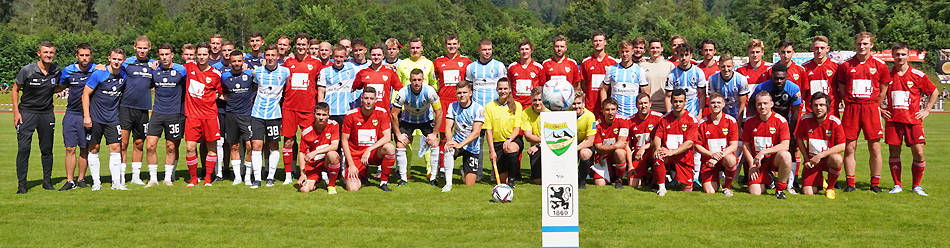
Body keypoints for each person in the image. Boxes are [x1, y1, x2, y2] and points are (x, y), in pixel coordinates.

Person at [835, 32, 891, 193]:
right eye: (859, 43)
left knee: (874, 148)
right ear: (856, 44)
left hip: (870, 108)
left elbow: (884, 87)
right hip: (852, 108)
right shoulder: (846, 65)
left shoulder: (879, 65)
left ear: (871, 45)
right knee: (849, 147)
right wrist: (848, 101)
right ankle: (850, 182)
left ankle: (875, 183)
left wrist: (876, 104)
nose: (862, 46)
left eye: (865, 44)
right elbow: (842, 87)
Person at [883, 42, 937, 196]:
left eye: (903, 54)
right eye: (897, 54)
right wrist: (880, 109)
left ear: (908, 55)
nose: (900, 57)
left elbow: (933, 91)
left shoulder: (918, 75)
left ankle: (916, 186)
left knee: (919, 153)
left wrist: (926, 110)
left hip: (913, 120)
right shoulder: (887, 74)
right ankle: (897, 185)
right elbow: (876, 94)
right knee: (894, 152)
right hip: (893, 120)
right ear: (892, 56)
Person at [13, 41, 63, 193]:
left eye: (51, 52)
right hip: (27, 113)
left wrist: (68, 85)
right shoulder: (27, 70)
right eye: (46, 52)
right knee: (24, 149)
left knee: (47, 149)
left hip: (47, 114)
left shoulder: (56, 70)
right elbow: (15, 90)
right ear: (39, 54)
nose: (49, 55)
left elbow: (54, 88)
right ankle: (22, 185)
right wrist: (16, 113)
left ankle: (47, 182)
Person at [750, 63, 802, 193]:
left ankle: (791, 182)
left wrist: (790, 132)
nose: (779, 81)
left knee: (790, 149)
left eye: (782, 78)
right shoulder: (763, 87)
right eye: (776, 78)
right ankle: (756, 175)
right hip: (766, 120)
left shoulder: (794, 89)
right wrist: (755, 118)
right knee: (755, 146)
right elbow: (751, 102)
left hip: (785, 123)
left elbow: (795, 113)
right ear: (772, 76)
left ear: (786, 77)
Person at [279, 33, 322, 186]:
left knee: (310, 142)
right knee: (289, 141)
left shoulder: (316, 63)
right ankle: (288, 174)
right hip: (289, 107)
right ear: (295, 46)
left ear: (308, 46)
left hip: (308, 108)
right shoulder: (288, 62)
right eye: (299, 44)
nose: (301, 47)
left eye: (304, 45)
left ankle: (310, 172)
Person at [83, 47, 128, 191]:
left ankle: (116, 183)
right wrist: (87, 116)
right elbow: (85, 95)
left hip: (113, 119)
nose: (116, 62)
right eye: (114, 59)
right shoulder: (99, 74)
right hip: (96, 118)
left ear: (123, 61)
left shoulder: (124, 75)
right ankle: (96, 182)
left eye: (119, 59)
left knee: (116, 148)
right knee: (94, 148)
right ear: (109, 58)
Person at [145, 43, 187, 187]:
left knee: (171, 147)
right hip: (157, 113)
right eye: (161, 54)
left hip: (174, 114)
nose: (164, 57)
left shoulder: (181, 71)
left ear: (172, 55)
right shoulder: (154, 71)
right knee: (150, 146)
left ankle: (168, 178)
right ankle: (153, 179)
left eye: (166, 54)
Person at [391, 69, 442, 186]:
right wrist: (398, 134)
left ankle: (433, 177)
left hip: (426, 120)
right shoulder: (403, 92)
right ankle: (403, 178)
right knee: (400, 144)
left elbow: (439, 112)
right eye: (414, 80)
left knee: (434, 143)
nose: (417, 83)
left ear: (423, 80)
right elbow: (393, 114)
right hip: (408, 120)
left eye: (419, 80)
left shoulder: (429, 91)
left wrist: (434, 133)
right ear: (410, 80)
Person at [183, 42, 223, 187]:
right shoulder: (188, 68)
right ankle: (193, 178)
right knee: (190, 148)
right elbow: (171, 67)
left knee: (211, 148)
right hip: (192, 116)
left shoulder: (216, 74)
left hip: (210, 116)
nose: (201, 57)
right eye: (199, 54)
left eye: (204, 54)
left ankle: (207, 178)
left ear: (209, 55)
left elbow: (221, 92)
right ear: (195, 55)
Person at [57, 43, 97, 190]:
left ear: (91, 56)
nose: (84, 58)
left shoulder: (97, 70)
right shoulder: (68, 70)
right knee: (70, 148)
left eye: (87, 55)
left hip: (89, 115)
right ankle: (69, 181)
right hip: (72, 114)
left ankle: (81, 179)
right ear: (77, 56)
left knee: (84, 148)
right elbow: (60, 86)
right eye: (82, 55)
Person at [341, 87, 397, 191]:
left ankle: (383, 182)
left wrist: (369, 149)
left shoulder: (382, 113)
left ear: (376, 100)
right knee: (352, 188)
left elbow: (387, 137)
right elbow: (344, 140)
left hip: (373, 153)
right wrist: (351, 164)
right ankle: (359, 173)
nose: (368, 101)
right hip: (356, 155)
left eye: (371, 99)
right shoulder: (351, 115)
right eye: (366, 98)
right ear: (361, 99)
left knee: (389, 147)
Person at [249, 44, 289, 189]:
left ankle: (270, 177)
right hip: (257, 114)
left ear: (278, 56)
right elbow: (254, 87)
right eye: (268, 55)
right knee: (257, 146)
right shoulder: (257, 72)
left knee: (273, 145)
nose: (270, 58)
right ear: (264, 57)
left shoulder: (285, 72)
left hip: (274, 115)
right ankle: (258, 179)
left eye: (273, 55)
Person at [742, 92, 794, 199]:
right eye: (759, 104)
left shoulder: (780, 121)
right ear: (756, 105)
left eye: (765, 103)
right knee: (755, 192)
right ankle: (769, 180)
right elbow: (745, 145)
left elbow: (785, 145)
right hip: (758, 162)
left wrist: (764, 152)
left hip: (773, 159)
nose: (762, 107)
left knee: (786, 155)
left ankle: (780, 190)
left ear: (771, 104)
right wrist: (752, 165)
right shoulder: (749, 122)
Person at [794, 92, 845, 199]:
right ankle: (819, 180)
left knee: (837, 159)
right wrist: (807, 159)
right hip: (812, 161)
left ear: (827, 106)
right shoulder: (805, 120)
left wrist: (820, 156)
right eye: (815, 105)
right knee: (808, 192)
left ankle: (830, 188)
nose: (818, 108)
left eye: (822, 105)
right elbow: (798, 138)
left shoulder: (835, 122)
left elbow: (842, 145)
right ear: (811, 106)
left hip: (827, 159)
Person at [120, 36, 155, 186]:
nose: (142, 50)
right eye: (139, 47)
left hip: (143, 110)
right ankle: (120, 176)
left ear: (149, 48)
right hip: (125, 108)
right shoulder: (126, 63)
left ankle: (136, 176)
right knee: (122, 144)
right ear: (134, 47)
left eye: (145, 48)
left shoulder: (153, 65)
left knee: (139, 143)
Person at [652, 89, 699, 195]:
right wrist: (658, 147)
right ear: (671, 102)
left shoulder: (691, 120)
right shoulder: (664, 119)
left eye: (680, 101)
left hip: (684, 158)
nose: (678, 104)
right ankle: (662, 187)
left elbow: (689, 143)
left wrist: (672, 152)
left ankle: (674, 177)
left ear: (685, 102)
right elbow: (657, 136)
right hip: (668, 154)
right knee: (658, 155)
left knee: (687, 190)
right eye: (675, 101)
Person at [221, 51, 256, 186]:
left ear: (243, 61)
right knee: (234, 146)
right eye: (234, 61)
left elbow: (255, 88)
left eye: (239, 61)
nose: (236, 64)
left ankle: (247, 176)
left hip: (246, 115)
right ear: (230, 62)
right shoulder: (224, 76)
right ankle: (237, 177)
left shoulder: (249, 75)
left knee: (249, 146)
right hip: (230, 114)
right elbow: (221, 92)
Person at [694, 93, 739, 196]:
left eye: (718, 102)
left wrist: (718, 157)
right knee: (709, 191)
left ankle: (727, 187)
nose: (716, 105)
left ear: (723, 104)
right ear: (709, 104)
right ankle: (717, 180)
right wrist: (711, 155)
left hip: (723, 158)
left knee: (731, 159)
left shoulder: (731, 121)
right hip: (709, 161)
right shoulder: (702, 123)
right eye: (713, 102)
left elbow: (734, 146)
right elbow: (697, 145)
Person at [443, 81, 485, 190]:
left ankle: (463, 170)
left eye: (465, 92)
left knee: (469, 184)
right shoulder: (452, 106)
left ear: (470, 93)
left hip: (471, 147)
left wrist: (461, 144)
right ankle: (448, 183)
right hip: (457, 142)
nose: (462, 95)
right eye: (459, 93)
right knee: (449, 149)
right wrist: (450, 141)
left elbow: (476, 133)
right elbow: (448, 127)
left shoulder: (478, 109)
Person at [483, 78, 523, 187]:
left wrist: (509, 140)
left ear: (510, 89)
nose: (503, 91)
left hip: (512, 140)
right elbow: (488, 131)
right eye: (500, 89)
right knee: (501, 181)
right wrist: (492, 151)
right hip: (497, 144)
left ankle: (512, 179)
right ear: (496, 89)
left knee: (510, 148)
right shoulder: (489, 106)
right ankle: (507, 178)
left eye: (505, 88)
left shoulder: (517, 105)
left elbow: (517, 129)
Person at [297, 103, 341, 194]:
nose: (321, 118)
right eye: (318, 114)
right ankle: (318, 181)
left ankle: (331, 186)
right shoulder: (306, 131)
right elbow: (301, 152)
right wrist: (302, 174)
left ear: (328, 115)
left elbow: (334, 146)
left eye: (324, 115)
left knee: (333, 154)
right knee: (304, 190)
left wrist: (315, 152)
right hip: (313, 164)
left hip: (326, 161)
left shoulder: (334, 125)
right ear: (314, 114)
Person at [603, 39, 649, 118]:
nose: (625, 54)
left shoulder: (639, 70)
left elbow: (645, 92)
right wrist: (604, 108)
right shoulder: (611, 69)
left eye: (627, 51)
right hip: (615, 115)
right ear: (619, 52)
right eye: (622, 52)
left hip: (634, 114)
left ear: (632, 52)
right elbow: (604, 90)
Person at [627, 93, 663, 188]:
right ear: (636, 105)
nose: (643, 106)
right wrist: (630, 165)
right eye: (640, 103)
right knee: (632, 184)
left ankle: (656, 181)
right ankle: (648, 175)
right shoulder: (630, 121)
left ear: (650, 104)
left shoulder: (659, 118)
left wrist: (644, 147)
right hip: (639, 157)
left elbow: (660, 139)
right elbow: (627, 144)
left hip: (652, 153)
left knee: (657, 152)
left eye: (646, 103)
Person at [593, 98, 630, 188]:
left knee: (620, 152)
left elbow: (621, 144)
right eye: (607, 109)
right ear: (602, 111)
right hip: (602, 157)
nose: (610, 112)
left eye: (613, 109)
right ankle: (612, 172)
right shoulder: (596, 124)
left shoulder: (623, 120)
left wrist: (604, 150)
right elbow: (598, 147)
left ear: (617, 110)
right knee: (600, 184)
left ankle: (618, 179)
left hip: (611, 154)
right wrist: (613, 146)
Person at [580, 31, 618, 116]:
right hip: (591, 106)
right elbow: (584, 84)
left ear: (605, 42)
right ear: (592, 43)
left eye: (600, 40)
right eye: (595, 41)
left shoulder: (613, 62)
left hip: (608, 107)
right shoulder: (586, 62)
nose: (598, 43)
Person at [665, 43, 707, 117]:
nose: (684, 58)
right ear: (677, 56)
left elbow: (703, 95)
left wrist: (700, 114)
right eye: (681, 55)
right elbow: (668, 96)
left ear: (691, 55)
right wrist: (669, 113)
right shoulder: (672, 74)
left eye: (686, 55)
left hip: (693, 112)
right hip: (677, 113)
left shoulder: (698, 72)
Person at [801, 36, 840, 116]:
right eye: (816, 48)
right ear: (812, 49)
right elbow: (804, 92)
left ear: (827, 49)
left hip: (831, 109)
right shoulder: (804, 68)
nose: (819, 51)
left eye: (822, 48)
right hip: (812, 109)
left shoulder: (836, 66)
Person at [706, 54, 749, 119]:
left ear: (733, 66)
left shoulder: (741, 79)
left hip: (737, 115)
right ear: (719, 67)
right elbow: (713, 101)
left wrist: (738, 126)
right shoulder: (712, 79)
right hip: (721, 116)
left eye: (728, 66)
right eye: (723, 66)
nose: (726, 69)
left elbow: (742, 104)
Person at [641, 38, 675, 113]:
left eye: (657, 48)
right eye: (652, 48)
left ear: (662, 49)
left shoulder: (669, 65)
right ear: (649, 49)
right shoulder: (642, 66)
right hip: (649, 107)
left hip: (665, 107)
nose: (655, 50)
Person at [521, 87, 546, 185]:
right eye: (535, 100)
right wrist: (540, 143)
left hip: (551, 146)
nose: (537, 102)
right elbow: (528, 136)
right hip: (536, 148)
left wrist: (538, 144)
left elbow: (554, 136)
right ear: (531, 99)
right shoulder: (526, 113)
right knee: (537, 181)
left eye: (540, 100)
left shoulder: (551, 111)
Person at [506, 39, 542, 108]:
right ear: (519, 51)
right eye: (522, 49)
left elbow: (542, 87)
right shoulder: (512, 67)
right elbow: (509, 86)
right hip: (516, 105)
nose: (524, 51)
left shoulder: (538, 67)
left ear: (531, 51)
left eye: (527, 49)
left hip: (532, 105)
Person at [573, 91, 598, 189]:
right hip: (569, 143)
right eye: (574, 104)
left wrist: (574, 148)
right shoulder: (566, 113)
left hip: (584, 144)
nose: (576, 106)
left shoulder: (590, 116)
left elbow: (590, 141)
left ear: (583, 103)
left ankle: (582, 181)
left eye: (579, 103)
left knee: (585, 154)